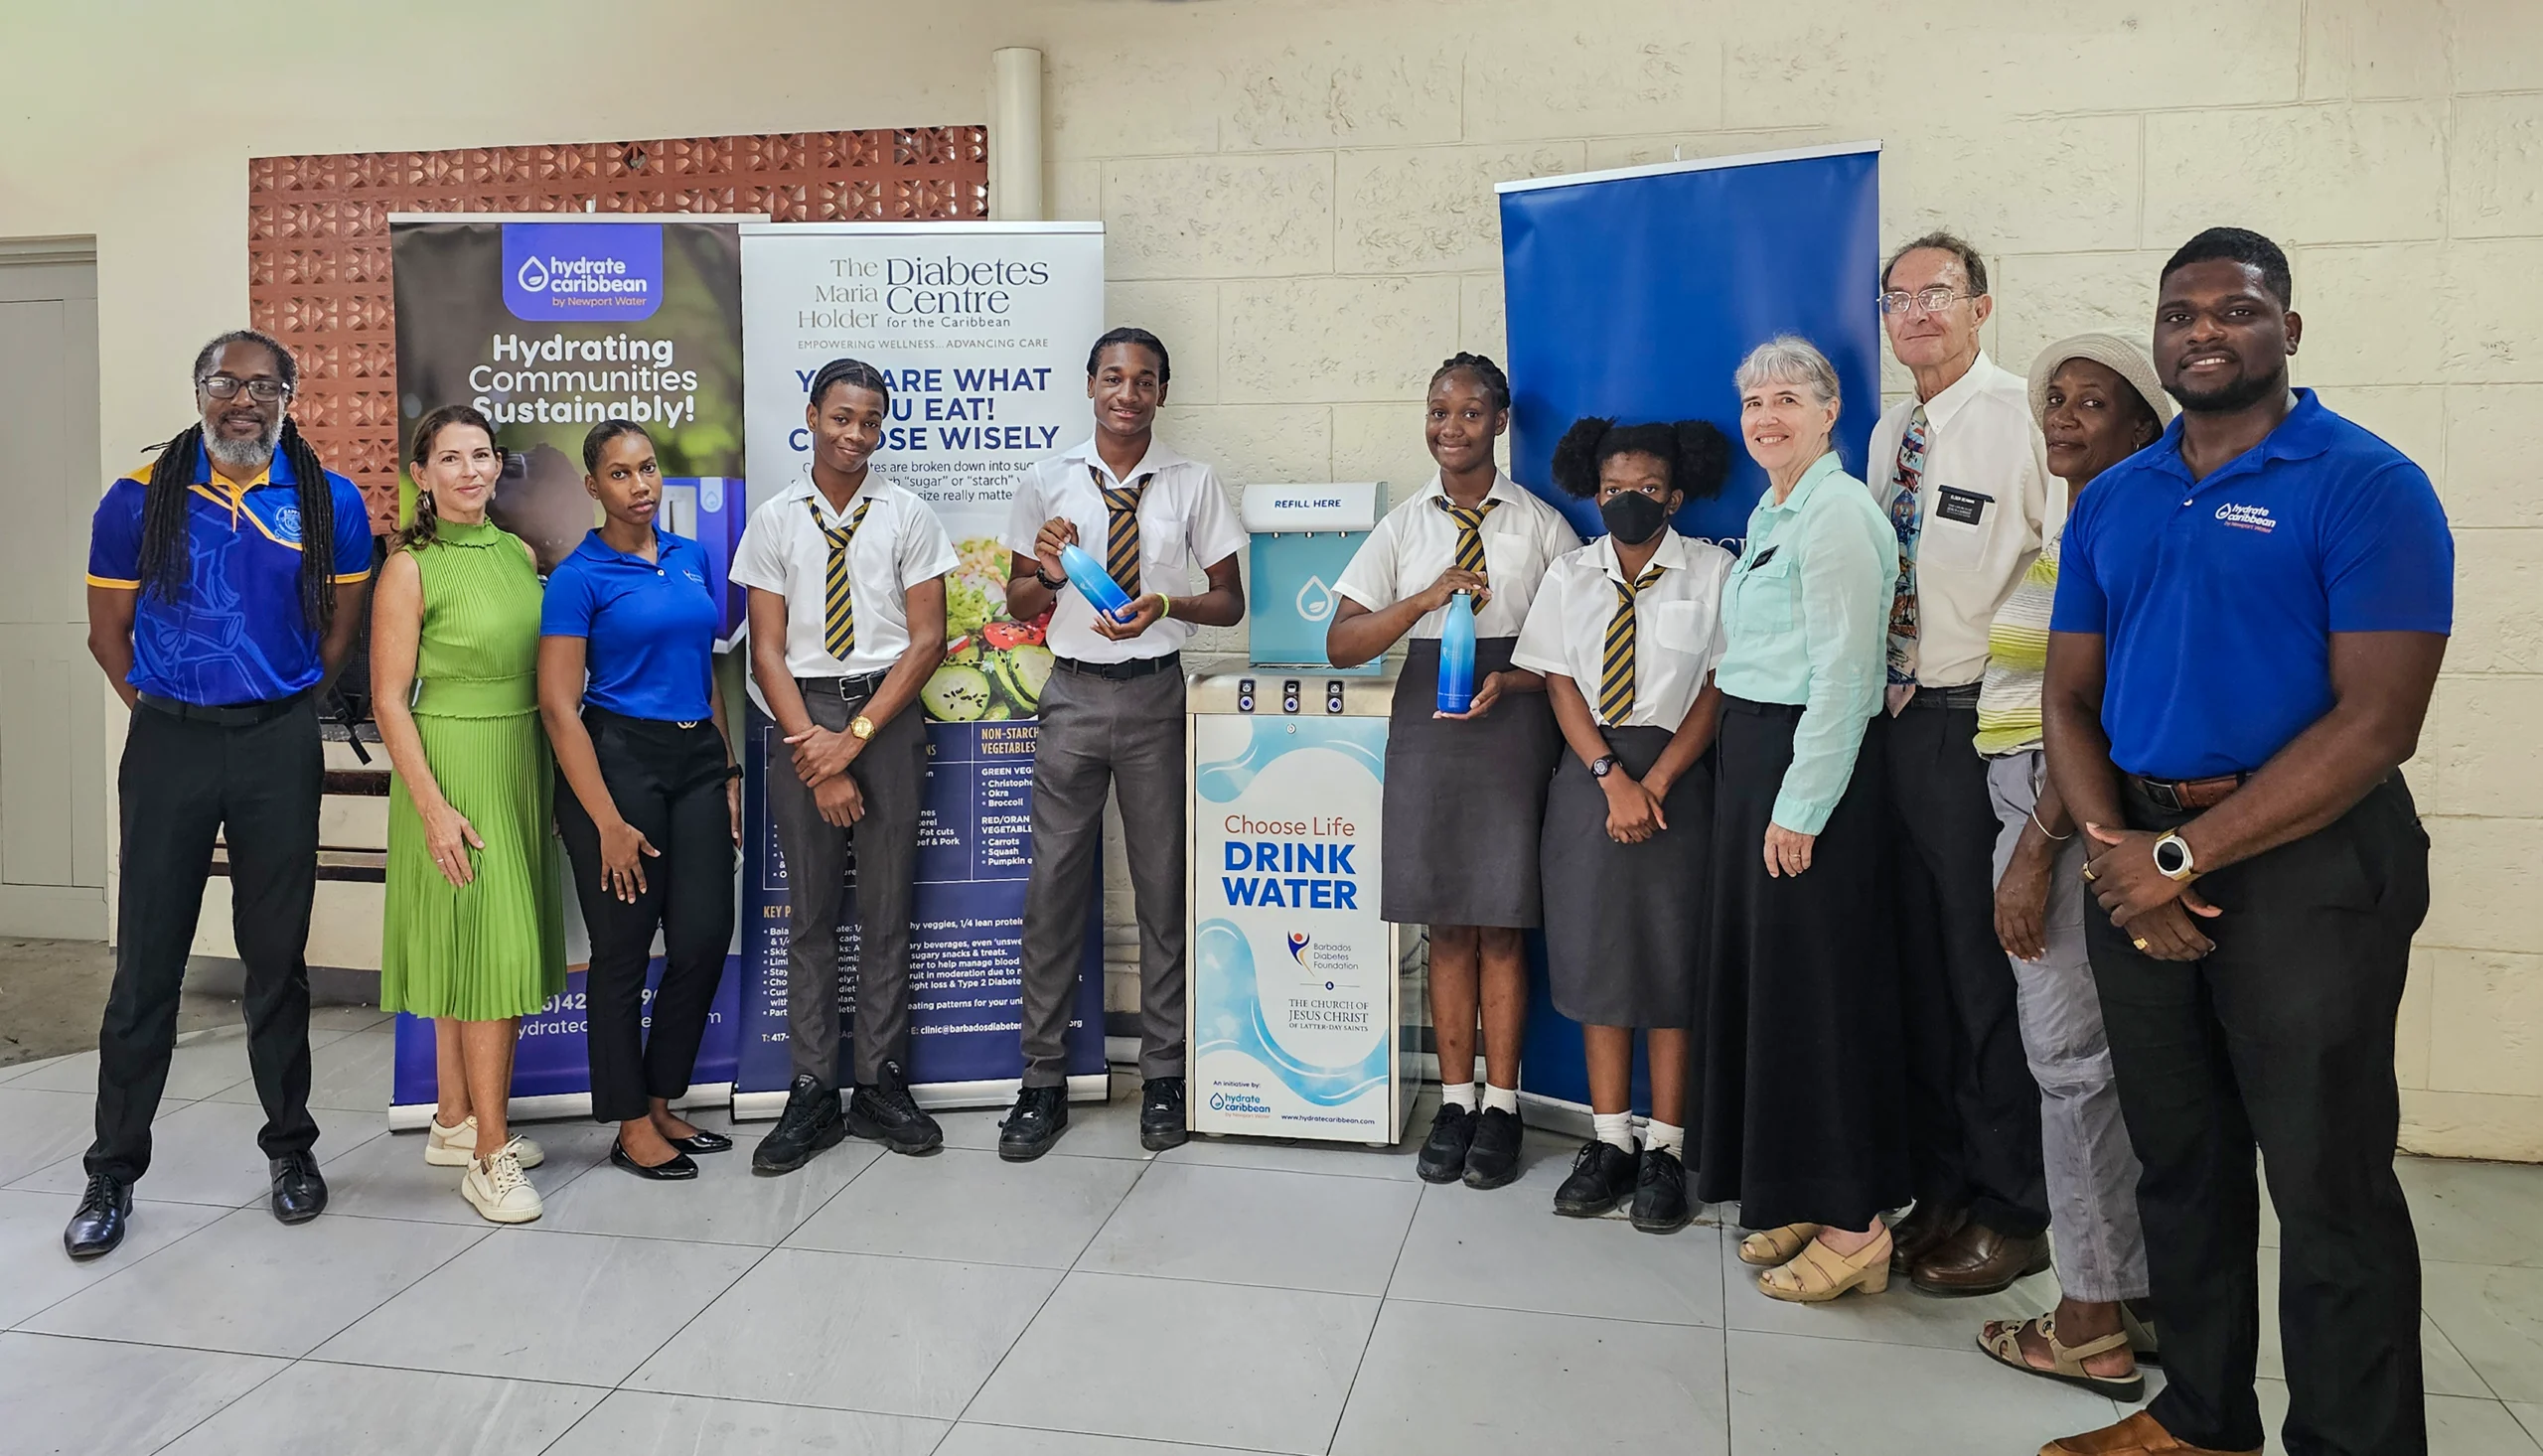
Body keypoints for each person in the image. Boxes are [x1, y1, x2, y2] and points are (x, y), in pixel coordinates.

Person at [2039, 229, 2450, 1456]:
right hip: (2139, 848)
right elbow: (2068, 697)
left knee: (2326, 1182)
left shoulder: (2367, 483)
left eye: (2235, 309)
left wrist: (2180, 859)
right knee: (2182, 1159)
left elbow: (2377, 723)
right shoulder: (2117, 494)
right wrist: (2121, 847)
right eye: (2178, 313)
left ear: (2289, 331)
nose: (2201, 331)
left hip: (2308, 858)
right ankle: (2203, 1417)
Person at [69, 328, 374, 1258]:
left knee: (276, 962)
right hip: (171, 744)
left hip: (278, 744)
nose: (242, 399)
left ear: (290, 394)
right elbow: (108, 636)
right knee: (146, 968)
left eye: (262, 384)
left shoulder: (329, 499)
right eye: (223, 382)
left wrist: (268, 712)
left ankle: (291, 1153)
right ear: (198, 390)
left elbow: (335, 637)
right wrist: (173, 711)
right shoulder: (136, 497)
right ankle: (111, 1175)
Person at [1971, 335, 2170, 1401]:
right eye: (2056, 398)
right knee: (2092, 1056)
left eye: (2094, 403)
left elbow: (2082, 712)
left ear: (2143, 427)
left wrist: (2034, 847)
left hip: (2053, 799)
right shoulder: (2082, 518)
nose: (2063, 416)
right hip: (2033, 788)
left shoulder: (2122, 525)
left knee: (2068, 1061)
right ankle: (2129, 1287)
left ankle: (2089, 1315)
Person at [1326, 353, 1576, 1191]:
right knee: (1444, 918)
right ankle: (1457, 1101)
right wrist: (1424, 599)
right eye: (1438, 412)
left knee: (1501, 917)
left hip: (1510, 723)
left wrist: (1515, 678)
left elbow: (1575, 653)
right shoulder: (1403, 526)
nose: (1451, 428)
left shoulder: (1541, 526)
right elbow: (1344, 642)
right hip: (1429, 724)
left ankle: (1503, 1106)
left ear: (1501, 423)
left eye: (1470, 413)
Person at [995, 327, 1246, 1160]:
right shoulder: (1047, 479)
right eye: (1113, 377)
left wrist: (1165, 605)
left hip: (1154, 698)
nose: (1127, 393)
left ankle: (1165, 1075)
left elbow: (1230, 601)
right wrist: (1055, 573)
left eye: (1144, 381)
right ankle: (1040, 1081)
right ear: (1090, 385)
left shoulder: (1192, 483)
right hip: (1070, 692)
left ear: (1162, 394)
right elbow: (1021, 596)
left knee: (1161, 890)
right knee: (1054, 889)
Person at [1697, 335, 1907, 1302]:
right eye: (1753, 401)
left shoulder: (1838, 514)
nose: (1765, 416)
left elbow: (1846, 678)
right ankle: (1792, 1184)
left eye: (1787, 398)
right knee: (1774, 992)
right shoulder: (1776, 506)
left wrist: (1799, 807)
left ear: (1830, 412)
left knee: (1821, 999)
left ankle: (1853, 1223)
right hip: (1754, 763)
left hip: (1806, 775)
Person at [1867, 230, 2057, 1293]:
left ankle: (2013, 1207)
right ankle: (1939, 1183)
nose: (1917, 312)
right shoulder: (1894, 426)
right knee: (1922, 974)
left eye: (1937, 292)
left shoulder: (2022, 416)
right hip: (1893, 724)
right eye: (1898, 297)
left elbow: (2063, 574)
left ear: (1981, 305)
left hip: (1979, 730)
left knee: (1985, 976)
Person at [737, 359, 957, 1174]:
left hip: (887, 717)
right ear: (812, 416)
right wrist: (817, 758)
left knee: (890, 908)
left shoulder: (908, 514)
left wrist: (854, 739)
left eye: (870, 422)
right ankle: (810, 1091)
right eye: (841, 418)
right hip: (801, 717)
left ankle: (879, 1083)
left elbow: (928, 642)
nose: (855, 435)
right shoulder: (775, 519)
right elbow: (765, 652)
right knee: (812, 916)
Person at [1516, 416, 1733, 1234]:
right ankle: (1608, 1141)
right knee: (1598, 958)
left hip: (1680, 781)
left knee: (1671, 967)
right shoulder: (1570, 574)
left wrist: (1658, 782)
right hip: (1590, 782)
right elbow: (1562, 682)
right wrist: (1612, 780)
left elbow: (1718, 686)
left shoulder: (1713, 572)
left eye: (1646, 489)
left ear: (1676, 495)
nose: (1628, 502)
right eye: (1612, 490)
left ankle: (1666, 1152)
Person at [372, 404, 566, 1224]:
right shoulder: (409, 569)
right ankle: (490, 1157)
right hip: (452, 764)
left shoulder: (519, 553)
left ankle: (455, 1123)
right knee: (489, 960)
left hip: (521, 757)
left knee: (475, 948)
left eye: (481, 455)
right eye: (449, 458)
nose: (469, 471)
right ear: (422, 474)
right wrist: (433, 809)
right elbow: (388, 699)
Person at [541, 420, 743, 1182]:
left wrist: (725, 774)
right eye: (620, 474)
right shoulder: (578, 576)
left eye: (649, 469)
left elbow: (707, 673)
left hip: (694, 758)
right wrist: (606, 823)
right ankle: (629, 1123)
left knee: (699, 939)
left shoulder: (692, 559)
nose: (641, 485)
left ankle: (662, 1099)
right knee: (623, 953)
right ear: (592, 487)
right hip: (617, 763)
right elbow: (561, 708)